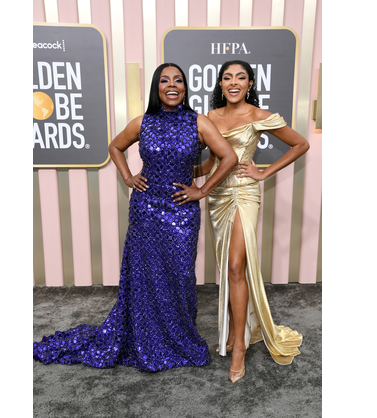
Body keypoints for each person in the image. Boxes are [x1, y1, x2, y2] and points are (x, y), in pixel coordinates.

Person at [33, 63, 238, 372]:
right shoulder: (142, 122)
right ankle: (145, 336)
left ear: (186, 87)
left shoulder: (199, 122)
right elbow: (115, 146)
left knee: (180, 276)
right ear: (157, 87)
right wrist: (128, 176)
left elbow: (229, 157)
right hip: (145, 210)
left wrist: (202, 190)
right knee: (144, 275)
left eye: (178, 80)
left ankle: (177, 338)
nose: (172, 85)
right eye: (165, 80)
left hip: (181, 212)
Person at [197, 60, 310, 383]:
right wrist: (188, 179)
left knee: (235, 266)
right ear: (220, 84)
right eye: (228, 77)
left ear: (249, 84)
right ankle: (237, 330)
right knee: (230, 269)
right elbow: (210, 164)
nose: (234, 82)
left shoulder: (259, 116)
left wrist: (264, 172)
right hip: (217, 196)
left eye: (241, 77)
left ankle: (239, 348)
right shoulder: (209, 119)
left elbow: (301, 144)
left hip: (245, 194)